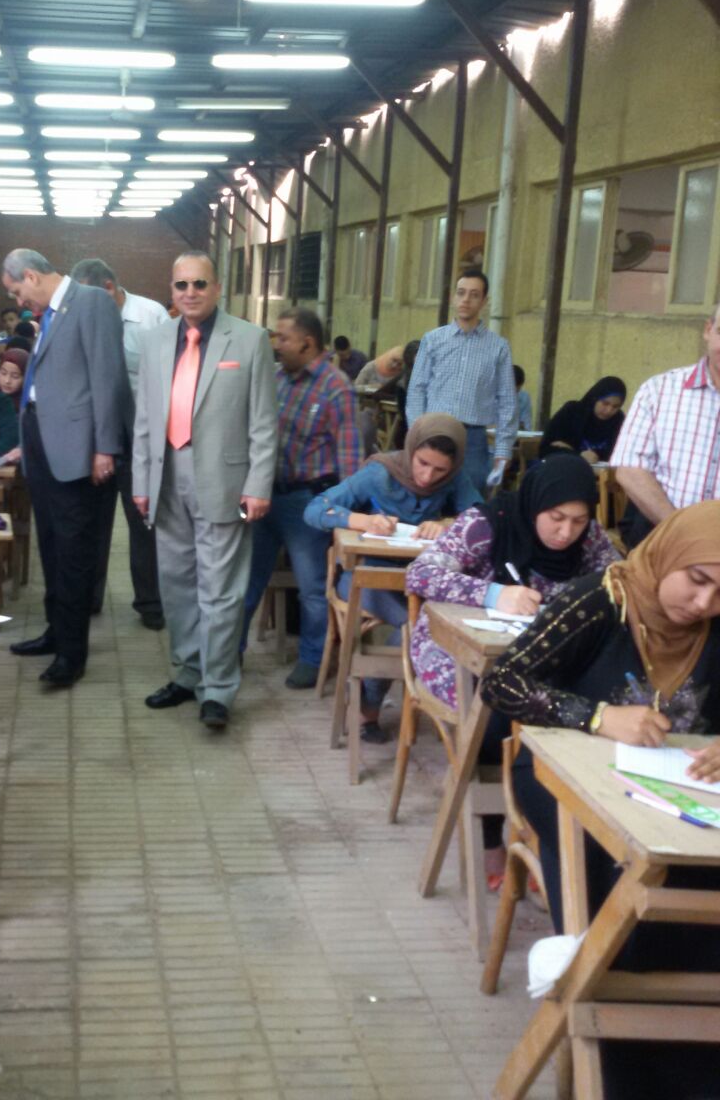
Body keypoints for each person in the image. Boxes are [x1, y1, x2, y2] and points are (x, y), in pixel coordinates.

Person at [480, 502, 720, 1098]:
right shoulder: (598, 600)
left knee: (698, 880)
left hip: (678, 790)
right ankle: (623, 1059)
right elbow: (502, 681)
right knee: (611, 877)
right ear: (669, 555)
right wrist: (597, 715)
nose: (704, 604)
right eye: (697, 580)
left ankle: (694, 1065)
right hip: (564, 776)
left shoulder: (716, 621)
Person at [406, 454, 620, 882]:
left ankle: (550, 836)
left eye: (578, 521)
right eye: (556, 518)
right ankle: (495, 836)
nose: (566, 532)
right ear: (536, 503)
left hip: (540, 661)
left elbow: (620, 584)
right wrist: (493, 594)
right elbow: (420, 573)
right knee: (497, 713)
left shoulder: (590, 540)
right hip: (454, 652)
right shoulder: (488, 523)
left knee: (576, 710)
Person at [133, 249, 277, 729]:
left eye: (200, 284)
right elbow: (145, 418)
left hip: (225, 480)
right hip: (165, 476)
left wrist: (258, 484)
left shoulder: (250, 340)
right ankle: (187, 673)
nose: (190, 293)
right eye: (182, 285)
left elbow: (263, 421)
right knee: (176, 586)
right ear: (171, 291)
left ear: (217, 287)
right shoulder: (155, 340)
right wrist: (141, 482)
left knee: (220, 592)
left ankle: (218, 689)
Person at [1, 249, 132, 689]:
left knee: (74, 550)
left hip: (77, 447)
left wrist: (105, 447)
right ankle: (55, 631)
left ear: (31, 275)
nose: (18, 301)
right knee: (52, 543)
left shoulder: (91, 302)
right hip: (42, 441)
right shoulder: (52, 313)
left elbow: (108, 378)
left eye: (16, 291)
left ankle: (71, 655)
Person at [305, 414, 481, 740]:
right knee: (418, 624)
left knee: (422, 621)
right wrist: (362, 521)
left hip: (416, 582)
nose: (427, 477)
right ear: (410, 449)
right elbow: (315, 509)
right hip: (365, 578)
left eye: (439, 470)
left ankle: (372, 698)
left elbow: (482, 520)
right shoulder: (380, 473)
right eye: (422, 463)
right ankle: (370, 705)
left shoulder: (456, 480)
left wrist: (447, 524)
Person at [240, 307, 363, 689]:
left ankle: (313, 658)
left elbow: (350, 461)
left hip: (307, 503)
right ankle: (227, 652)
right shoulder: (276, 379)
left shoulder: (336, 388)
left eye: (283, 338)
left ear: (307, 343)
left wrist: (344, 519)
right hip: (264, 496)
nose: (276, 345)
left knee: (312, 588)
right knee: (245, 580)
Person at [71, 257, 168, 630]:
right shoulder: (83, 316)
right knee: (93, 521)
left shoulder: (151, 316)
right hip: (97, 434)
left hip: (140, 436)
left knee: (143, 520)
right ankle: (89, 597)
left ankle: (150, 603)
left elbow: (169, 375)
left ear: (109, 288)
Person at [612, 309, 720, 547]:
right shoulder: (659, 391)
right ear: (708, 330)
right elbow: (629, 469)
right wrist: (680, 531)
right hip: (660, 541)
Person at [405, 267, 517, 494]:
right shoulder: (433, 340)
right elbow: (417, 390)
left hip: (473, 440)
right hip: (433, 433)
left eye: (474, 295)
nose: (466, 300)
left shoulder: (498, 347)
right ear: (452, 297)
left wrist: (503, 450)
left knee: (470, 502)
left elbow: (507, 401)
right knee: (428, 497)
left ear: (484, 301)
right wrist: (417, 433)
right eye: (461, 293)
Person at [539, 375, 625, 463]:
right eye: (605, 403)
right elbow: (546, 449)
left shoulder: (618, 420)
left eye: (615, 406)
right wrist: (578, 454)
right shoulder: (572, 412)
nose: (609, 410)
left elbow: (619, 454)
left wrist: (570, 450)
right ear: (595, 398)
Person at [0, 346, 28, 413]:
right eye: (3, 373)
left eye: (15, 376)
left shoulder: (29, 407)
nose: (7, 381)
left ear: (25, 378)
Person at [513, 365, 533, 431]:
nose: (513, 395)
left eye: (517, 391)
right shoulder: (491, 396)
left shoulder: (524, 397)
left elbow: (526, 427)